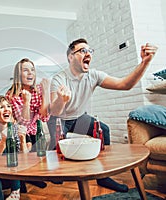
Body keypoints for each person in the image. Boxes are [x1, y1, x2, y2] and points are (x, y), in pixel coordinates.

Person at [49, 38, 158, 192]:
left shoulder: (94, 75)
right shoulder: (59, 79)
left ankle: (102, 177)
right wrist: (61, 99)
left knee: (103, 130)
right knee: (56, 147)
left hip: (80, 116)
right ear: (70, 57)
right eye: (82, 50)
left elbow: (125, 84)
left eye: (89, 51)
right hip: (60, 118)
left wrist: (145, 62)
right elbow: (54, 111)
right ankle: (54, 172)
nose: (88, 54)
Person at [6, 58, 51, 190]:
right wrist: (26, 102)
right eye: (25, 70)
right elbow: (23, 122)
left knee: (38, 153)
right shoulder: (11, 95)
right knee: (22, 154)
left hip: (35, 127)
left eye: (32, 70)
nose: (30, 73)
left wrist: (46, 91)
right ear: (18, 75)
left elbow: (44, 116)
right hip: (19, 130)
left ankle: (34, 177)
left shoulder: (38, 90)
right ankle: (21, 180)